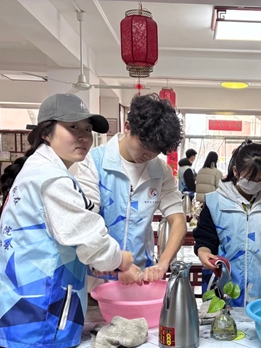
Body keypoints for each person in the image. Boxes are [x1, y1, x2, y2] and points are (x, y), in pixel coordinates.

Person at [0, 93, 134, 348]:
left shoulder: (44, 170)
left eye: (87, 130)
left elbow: (55, 248)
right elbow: (90, 241)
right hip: (25, 324)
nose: (83, 137)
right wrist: (122, 259)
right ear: (46, 132)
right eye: (72, 127)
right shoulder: (52, 179)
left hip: (18, 319)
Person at [76, 93, 186, 286]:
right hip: (96, 278)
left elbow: (178, 221)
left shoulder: (160, 172)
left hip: (140, 278)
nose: (148, 155)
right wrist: (116, 264)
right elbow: (86, 222)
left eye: (156, 151)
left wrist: (162, 264)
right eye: (144, 146)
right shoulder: (95, 163)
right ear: (127, 128)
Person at [193, 141, 261, 306]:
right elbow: (205, 238)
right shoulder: (215, 201)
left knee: (258, 320)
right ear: (235, 171)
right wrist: (203, 252)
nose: (256, 184)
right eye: (250, 179)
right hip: (221, 286)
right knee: (222, 320)